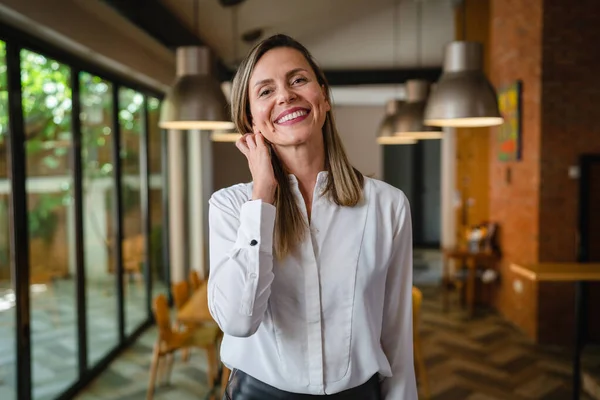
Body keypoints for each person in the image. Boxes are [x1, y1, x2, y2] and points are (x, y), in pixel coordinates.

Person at [208, 34, 417, 400]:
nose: (285, 96)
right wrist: (263, 196)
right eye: (265, 91)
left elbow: (397, 337)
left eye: (298, 80)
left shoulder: (389, 206)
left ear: (323, 95)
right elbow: (239, 322)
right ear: (250, 119)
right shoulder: (230, 207)